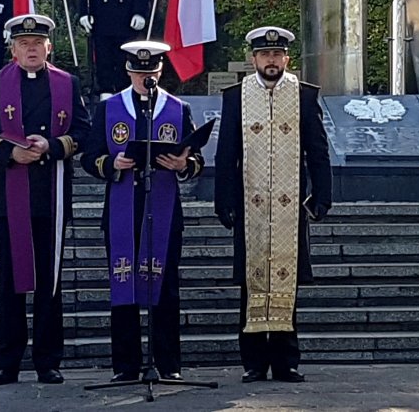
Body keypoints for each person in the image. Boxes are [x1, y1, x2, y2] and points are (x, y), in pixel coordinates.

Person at [0, 13, 90, 386]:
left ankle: (48, 360)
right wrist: (8, 152)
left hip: (50, 194)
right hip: (9, 195)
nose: (31, 49)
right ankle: (7, 361)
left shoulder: (67, 83)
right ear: (13, 49)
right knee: (11, 281)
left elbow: (84, 129)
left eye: (37, 43)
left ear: (49, 47)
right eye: (24, 44)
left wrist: (52, 146)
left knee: (49, 283)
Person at [214, 26, 332, 384]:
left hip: (288, 205)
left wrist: (321, 197)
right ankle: (252, 361)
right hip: (250, 206)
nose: (271, 60)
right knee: (251, 283)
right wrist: (224, 201)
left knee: (287, 280)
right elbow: (226, 154)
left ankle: (286, 361)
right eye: (264, 55)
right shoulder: (236, 96)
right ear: (254, 59)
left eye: (277, 54)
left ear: (286, 58)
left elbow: (318, 150)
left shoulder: (304, 95)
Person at [80, 41, 203, 382]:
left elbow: (197, 159)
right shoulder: (109, 108)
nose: (144, 78)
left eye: (150, 73)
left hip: (163, 208)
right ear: (128, 71)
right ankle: (126, 364)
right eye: (138, 72)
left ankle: (168, 362)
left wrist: (184, 163)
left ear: (160, 71)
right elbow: (89, 157)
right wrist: (112, 163)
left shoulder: (177, 108)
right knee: (124, 282)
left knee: (166, 286)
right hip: (123, 205)